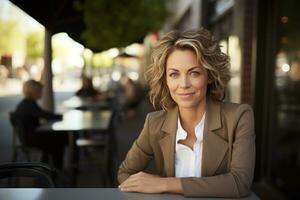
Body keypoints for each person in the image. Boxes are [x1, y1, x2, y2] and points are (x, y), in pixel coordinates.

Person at [118, 28, 255, 198]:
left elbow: (240, 183)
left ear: (209, 75)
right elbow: (125, 174)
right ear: (165, 79)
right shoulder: (154, 123)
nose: (184, 84)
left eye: (194, 73)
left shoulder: (239, 117)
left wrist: (164, 183)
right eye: (174, 74)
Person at [14, 80, 67, 170]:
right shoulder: (28, 105)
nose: (42, 93)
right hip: (31, 139)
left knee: (59, 137)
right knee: (61, 139)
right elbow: (46, 116)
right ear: (33, 92)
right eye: (40, 91)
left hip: (29, 137)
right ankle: (56, 169)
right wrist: (63, 116)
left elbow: (43, 115)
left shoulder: (27, 103)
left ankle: (48, 167)